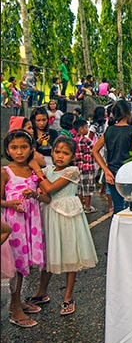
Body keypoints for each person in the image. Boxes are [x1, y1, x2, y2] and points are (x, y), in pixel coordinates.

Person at [27, 136, 98, 315]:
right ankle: (41, 292)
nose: (60, 156)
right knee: (49, 254)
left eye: (65, 153)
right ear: (52, 152)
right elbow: (45, 194)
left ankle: (68, 296)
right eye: (57, 152)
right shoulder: (48, 169)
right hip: (49, 214)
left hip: (68, 216)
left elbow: (50, 188)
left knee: (70, 253)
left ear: (72, 157)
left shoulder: (72, 171)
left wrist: (36, 170)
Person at [1, 130, 50, 327]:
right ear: (7, 150)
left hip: (31, 223)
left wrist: (35, 194)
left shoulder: (33, 172)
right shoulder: (6, 172)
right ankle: (15, 307)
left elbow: (47, 197)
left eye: (23, 147)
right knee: (16, 265)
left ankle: (18, 301)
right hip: (14, 224)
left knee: (24, 264)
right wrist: (10, 204)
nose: (19, 152)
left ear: (31, 149)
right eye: (14, 148)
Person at [92, 100, 132, 214]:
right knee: (128, 206)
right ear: (129, 113)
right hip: (127, 172)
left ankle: (115, 231)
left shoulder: (109, 130)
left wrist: (106, 170)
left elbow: (95, 151)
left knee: (117, 207)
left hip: (112, 173)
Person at [74, 117, 97, 214]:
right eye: (86, 127)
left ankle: (80, 206)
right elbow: (94, 149)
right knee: (88, 188)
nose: (87, 129)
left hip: (78, 167)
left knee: (79, 188)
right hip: (88, 166)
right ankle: (87, 207)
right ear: (82, 129)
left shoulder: (74, 140)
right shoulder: (86, 140)